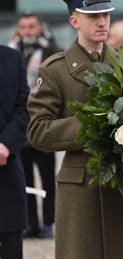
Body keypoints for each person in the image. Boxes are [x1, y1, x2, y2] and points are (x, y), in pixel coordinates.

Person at [27, 0, 123, 259]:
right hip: (81, 190)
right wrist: (94, 125)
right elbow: (38, 131)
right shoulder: (56, 70)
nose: (102, 22)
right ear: (74, 21)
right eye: (92, 16)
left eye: (105, 14)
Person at [9, 12, 59, 238]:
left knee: (47, 177)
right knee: (25, 178)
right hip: (20, 125)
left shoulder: (50, 50)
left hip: (43, 123)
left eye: (31, 26)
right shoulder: (12, 51)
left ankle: (48, 221)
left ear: (40, 27)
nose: (27, 31)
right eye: (23, 27)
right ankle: (30, 222)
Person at [0, 45, 29, 259]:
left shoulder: (12, 58)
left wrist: (6, 144)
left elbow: (24, 107)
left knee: (11, 246)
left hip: (6, 171)